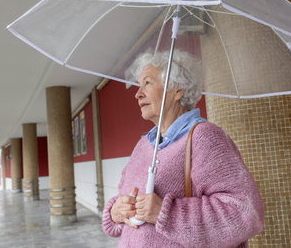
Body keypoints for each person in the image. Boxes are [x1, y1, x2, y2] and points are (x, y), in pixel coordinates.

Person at [102, 50, 264, 247]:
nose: (138, 93)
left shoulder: (204, 137)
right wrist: (116, 212)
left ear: (178, 89)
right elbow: (124, 197)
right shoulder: (143, 145)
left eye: (147, 82)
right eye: (138, 85)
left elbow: (244, 212)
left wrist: (166, 213)